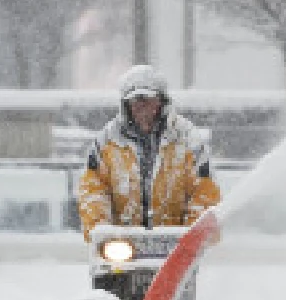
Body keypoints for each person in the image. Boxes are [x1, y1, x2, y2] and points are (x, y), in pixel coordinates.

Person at [78, 64, 221, 240]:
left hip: (176, 244)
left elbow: (204, 191)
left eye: (147, 98)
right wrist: (100, 231)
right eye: (135, 100)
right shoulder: (106, 142)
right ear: (126, 104)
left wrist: (192, 237)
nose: (141, 105)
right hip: (120, 245)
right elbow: (93, 191)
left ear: (161, 101)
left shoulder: (188, 140)